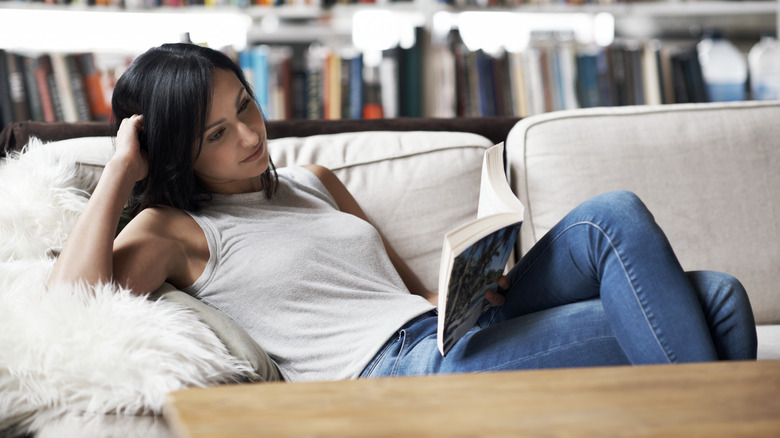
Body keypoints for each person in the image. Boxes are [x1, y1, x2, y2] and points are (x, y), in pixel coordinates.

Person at [48, 43, 758, 382]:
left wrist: (474, 288)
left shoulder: (314, 180)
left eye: (246, 107)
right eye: (216, 134)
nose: (252, 136)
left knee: (614, 216)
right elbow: (70, 309)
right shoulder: (172, 231)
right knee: (718, 305)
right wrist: (120, 168)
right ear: (173, 153)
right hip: (403, 372)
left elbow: (409, 290)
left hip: (449, 331)